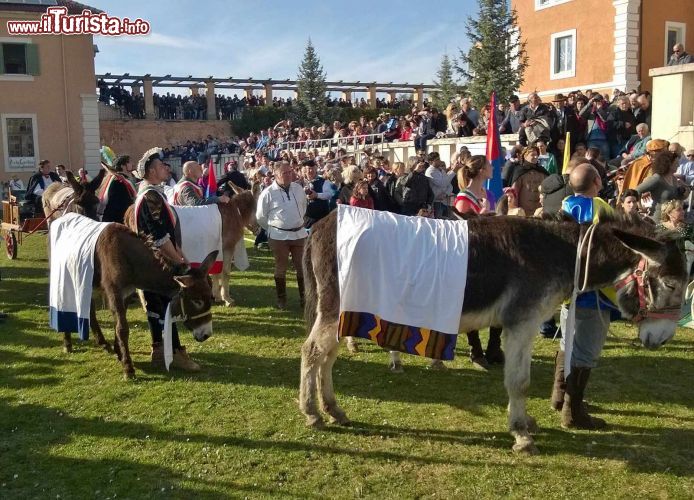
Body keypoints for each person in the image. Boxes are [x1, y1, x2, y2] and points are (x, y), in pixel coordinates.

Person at [553, 163, 616, 429]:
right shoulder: (601, 208)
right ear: (597, 182)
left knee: (569, 343)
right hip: (595, 291)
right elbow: (614, 248)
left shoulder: (563, 205)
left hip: (568, 290)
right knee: (585, 352)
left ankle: (559, 394)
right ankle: (573, 411)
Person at [134, 147, 200, 372]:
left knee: (157, 306)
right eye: (162, 166)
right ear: (152, 171)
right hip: (158, 260)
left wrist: (179, 249)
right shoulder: (150, 196)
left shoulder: (154, 192)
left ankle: (160, 350)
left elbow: (167, 229)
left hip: (155, 258)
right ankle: (175, 353)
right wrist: (178, 259)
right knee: (165, 305)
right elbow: (158, 234)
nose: (166, 168)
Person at [453, 155, 504, 368]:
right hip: (471, 260)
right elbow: (463, 229)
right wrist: (483, 215)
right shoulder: (464, 198)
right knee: (472, 302)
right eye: (489, 165)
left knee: (499, 298)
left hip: (490, 255)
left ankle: (494, 346)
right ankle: (475, 350)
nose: (492, 168)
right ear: (482, 169)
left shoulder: (485, 193)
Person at [255, 161, 308, 309]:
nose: (289, 175)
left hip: (299, 234)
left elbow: (303, 207)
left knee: (302, 266)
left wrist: (296, 222)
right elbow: (260, 217)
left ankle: (305, 298)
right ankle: (281, 299)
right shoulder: (267, 193)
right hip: (279, 237)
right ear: (276, 175)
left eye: (290, 172)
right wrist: (275, 228)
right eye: (285, 173)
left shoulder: (298, 189)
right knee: (281, 267)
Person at [636, 151, 688, 221]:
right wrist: (641, 207)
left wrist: (686, 190)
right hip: (658, 219)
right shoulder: (657, 178)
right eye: (676, 163)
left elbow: (677, 198)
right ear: (668, 164)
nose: (678, 165)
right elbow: (637, 190)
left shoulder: (674, 179)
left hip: (672, 219)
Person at [98, 155, 138, 224]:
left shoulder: (120, 180)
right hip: (117, 222)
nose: (132, 164)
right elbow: (120, 204)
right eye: (129, 162)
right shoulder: (119, 181)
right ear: (122, 166)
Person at [509, 146, 548, 214]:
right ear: (525, 156)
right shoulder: (519, 172)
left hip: (539, 212)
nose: (535, 157)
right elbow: (514, 193)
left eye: (536, 155)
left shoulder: (542, 172)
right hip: (524, 212)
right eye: (532, 155)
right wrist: (514, 209)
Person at [301, 160, 333, 228]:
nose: (311, 171)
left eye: (313, 168)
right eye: (308, 169)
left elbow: (329, 195)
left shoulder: (324, 181)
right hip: (307, 218)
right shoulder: (300, 183)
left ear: (316, 169)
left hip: (321, 217)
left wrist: (317, 195)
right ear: (305, 170)